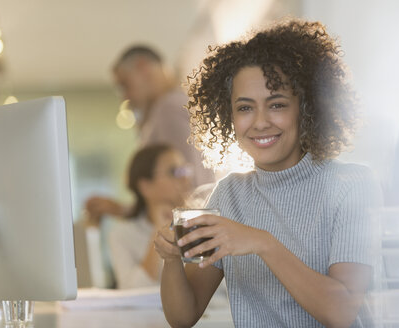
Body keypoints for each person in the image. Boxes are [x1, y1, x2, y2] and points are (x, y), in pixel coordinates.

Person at [155, 19, 382, 328]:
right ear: (228, 115)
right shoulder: (229, 194)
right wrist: (171, 261)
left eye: (276, 104)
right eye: (245, 108)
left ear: (307, 107)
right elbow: (183, 316)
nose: (260, 122)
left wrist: (263, 242)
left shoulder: (351, 185)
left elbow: (340, 312)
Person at [85, 45, 215, 221]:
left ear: (142, 66)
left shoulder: (167, 109)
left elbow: (186, 186)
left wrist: (125, 211)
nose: (124, 96)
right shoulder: (172, 106)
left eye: (124, 85)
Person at [108, 144, 192, 289]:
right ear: (145, 186)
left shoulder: (201, 224)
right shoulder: (123, 233)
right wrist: (158, 230)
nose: (185, 179)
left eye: (184, 170)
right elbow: (131, 291)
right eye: (174, 172)